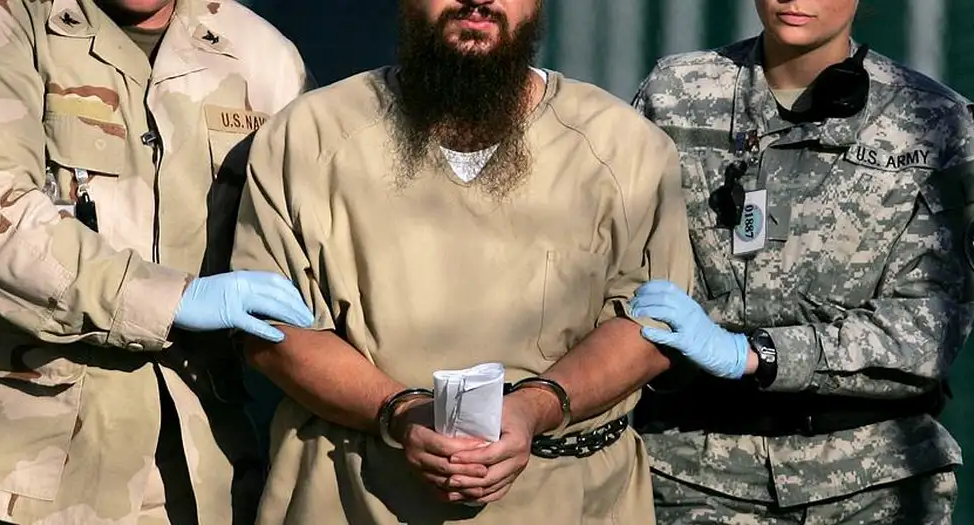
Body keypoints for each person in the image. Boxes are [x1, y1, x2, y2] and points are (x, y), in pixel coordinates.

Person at [223, 0, 713, 523]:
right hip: (354, 497)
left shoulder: (624, 147)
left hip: (567, 502)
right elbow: (272, 332)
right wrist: (401, 413)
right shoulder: (309, 136)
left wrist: (536, 407)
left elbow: (650, 329)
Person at [0, 0, 315, 523]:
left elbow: (316, 239)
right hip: (11, 474)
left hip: (193, 479)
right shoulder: (2, 21)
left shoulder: (264, 57)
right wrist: (173, 298)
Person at [629, 0, 974, 523]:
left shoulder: (927, 119)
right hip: (691, 478)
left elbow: (928, 328)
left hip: (875, 485)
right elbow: (616, 263)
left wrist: (754, 354)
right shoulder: (675, 94)